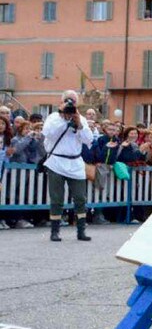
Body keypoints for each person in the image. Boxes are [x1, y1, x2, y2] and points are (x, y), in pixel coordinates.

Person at [42, 90, 94, 242]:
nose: (70, 103)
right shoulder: (53, 117)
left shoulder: (81, 118)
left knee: (80, 197)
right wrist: (63, 119)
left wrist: (79, 124)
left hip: (75, 162)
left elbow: (88, 140)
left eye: (73, 101)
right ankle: (55, 231)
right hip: (56, 162)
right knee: (56, 198)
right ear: (61, 102)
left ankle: (81, 231)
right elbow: (48, 133)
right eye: (67, 100)